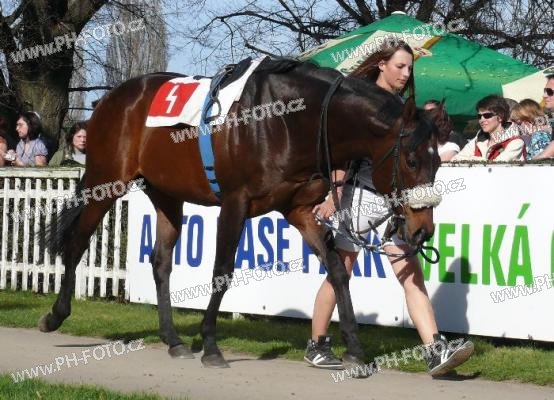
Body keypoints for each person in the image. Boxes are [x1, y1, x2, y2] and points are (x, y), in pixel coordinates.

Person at [304, 39, 474, 377]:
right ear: (381, 64)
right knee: (341, 271)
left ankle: (435, 350)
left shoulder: (401, 107)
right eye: (400, 66)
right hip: (359, 196)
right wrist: (333, 194)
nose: (406, 73)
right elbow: (343, 154)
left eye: (410, 67)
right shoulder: (359, 101)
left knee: (410, 273)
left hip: (395, 202)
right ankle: (317, 344)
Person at [452, 95, 525, 162]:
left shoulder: (516, 142)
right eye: (479, 116)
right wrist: (483, 160)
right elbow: (455, 159)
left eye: (487, 115)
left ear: (500, 117)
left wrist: (471, 158)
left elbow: (496, 166)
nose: (482, 120)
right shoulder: (478, 139)